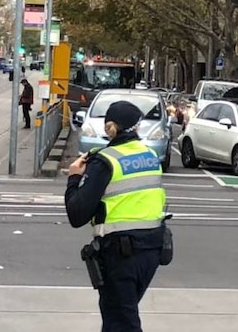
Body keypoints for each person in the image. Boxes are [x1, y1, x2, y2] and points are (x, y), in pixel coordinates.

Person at [65, 100, 166, 331]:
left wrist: (73, 179)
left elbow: (77, 214)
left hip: (121, 255)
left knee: (121, 323)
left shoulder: (105, 161)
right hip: (152, 250)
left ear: (109, 127)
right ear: (136, 127)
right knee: (118, 317)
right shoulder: (150, 156)